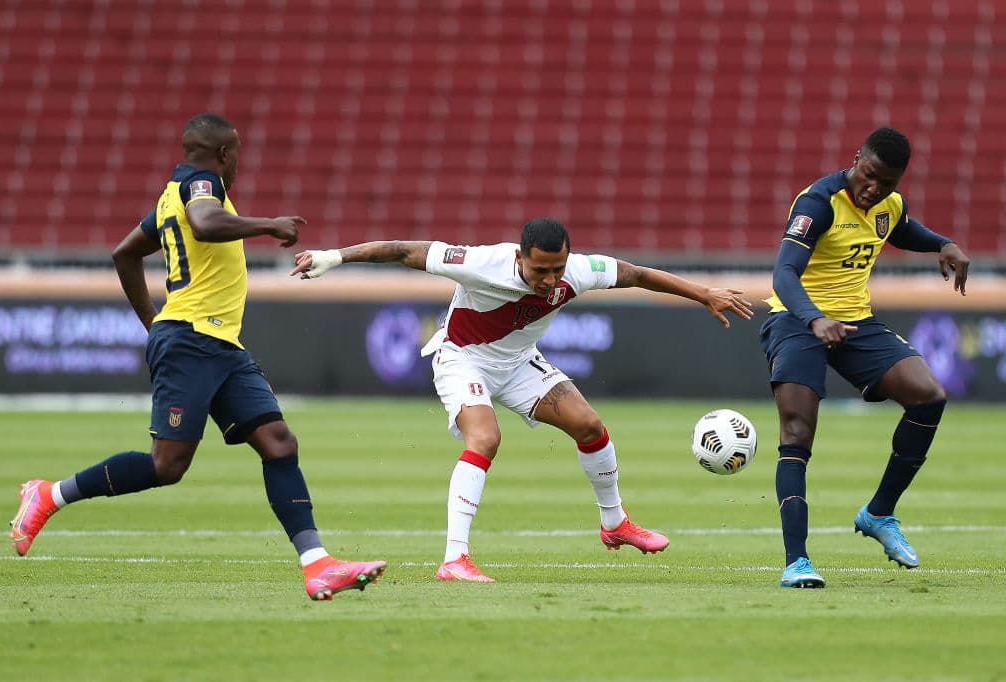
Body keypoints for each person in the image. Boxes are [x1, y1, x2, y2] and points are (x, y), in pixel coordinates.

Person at [9, 113, 385, 601]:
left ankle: (318, 564)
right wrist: (268, 224)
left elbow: (125, 253)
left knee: (278, 442)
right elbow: (205, 225)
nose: (236, 169)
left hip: (219, 344)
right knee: (167, 465)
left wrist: (151, 322)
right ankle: (49, 494)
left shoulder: (170, 196)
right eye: (237, 157)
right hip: (192, 340)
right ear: (224, 154)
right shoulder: (201, 184)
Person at [290, 217, 755, 581]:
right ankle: (455, 559)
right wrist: (333, 257)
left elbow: (636, 274)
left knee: (590, 427)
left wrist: (704, 294)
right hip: (462, 358)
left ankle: (615, 523)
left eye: (557, 268)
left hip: (517, 363)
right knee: (485, 438)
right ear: (519, 257)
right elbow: (402, 250)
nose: (550, 279)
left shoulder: (577, 271)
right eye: (540, 269)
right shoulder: (479, 262)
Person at [760, 126, 970, 588]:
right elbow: (784, 275)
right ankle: (797, 562)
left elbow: (902, 229)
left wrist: (942, 243)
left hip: (855, 322)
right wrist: (815, 320)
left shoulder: (889, 205)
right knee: (797, 431)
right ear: (858, 158)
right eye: (869, 176)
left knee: (929, 396)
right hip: (797, 320)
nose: (873, 189)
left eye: (887, 184)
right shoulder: (818, 201)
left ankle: (879, 513)